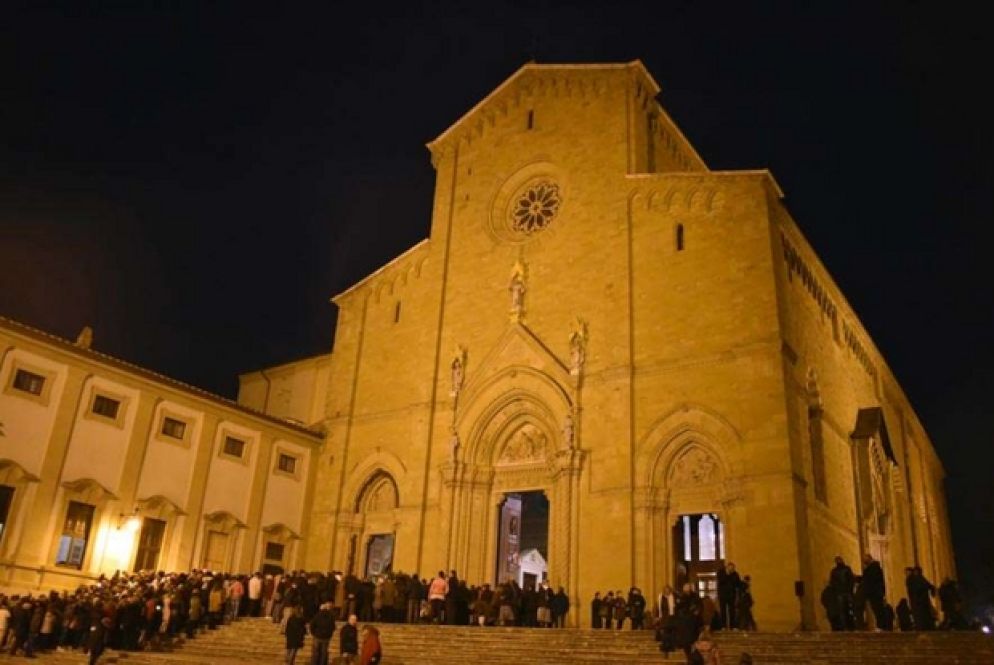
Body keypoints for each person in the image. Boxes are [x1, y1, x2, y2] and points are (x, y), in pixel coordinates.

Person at [861, 554, 886, 631]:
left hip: (875, 592)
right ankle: (880, 625)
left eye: (865, 559)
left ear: (869, 558)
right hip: (874, 592)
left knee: (878, 609)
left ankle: (881, 626)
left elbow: (870, 580)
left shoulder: (874, 568)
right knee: (876, 609)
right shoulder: (872, 568)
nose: (864, 561)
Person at [905, 566, 936, 631]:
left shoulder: (913, 579)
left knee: (920, 617)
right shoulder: (918, 579)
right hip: (921, 602)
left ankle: (922, 628)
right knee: (922, 617)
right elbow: (929, 586)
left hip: (918, 602)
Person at [829, 556, 855, 630]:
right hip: (841, 593)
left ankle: (849, 625)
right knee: (843, 610)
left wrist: (849, 589)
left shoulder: (845, 569)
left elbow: (851, 580)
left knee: (848, 609)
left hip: (844, 592)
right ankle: (846, 625)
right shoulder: (836, 571)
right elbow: (833, 582)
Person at [716, 562, 741, 630]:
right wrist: (727, 575)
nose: (732, 570)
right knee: (723, 611)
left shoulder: (735, 574)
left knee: (732, 611)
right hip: (722, 595)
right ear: (727, 567)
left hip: (731, 595)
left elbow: (738, 584)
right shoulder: (721, 572)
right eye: (731, 568)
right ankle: (723, 626)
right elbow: (720, 581)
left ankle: (732, 626)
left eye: (733, 569)